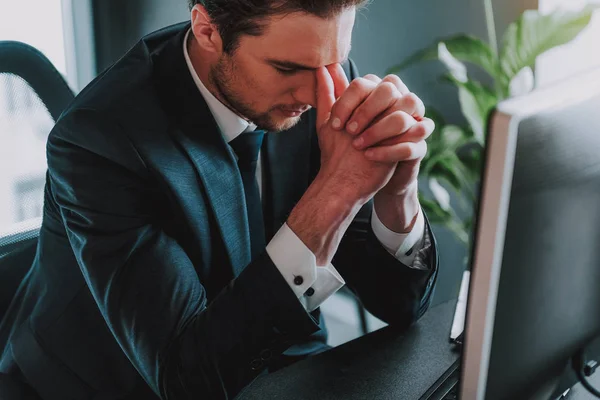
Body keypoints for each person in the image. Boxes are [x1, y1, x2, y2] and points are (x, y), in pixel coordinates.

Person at [0, 0, 439, 399]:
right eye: (287, 69)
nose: (315, 95)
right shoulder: (100, 142)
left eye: (333, 63)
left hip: (280, 368)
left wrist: (395, 194)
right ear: (207, 29)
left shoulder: (318, 79)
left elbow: (399, 306)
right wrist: (336, 194)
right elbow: (186, 379)